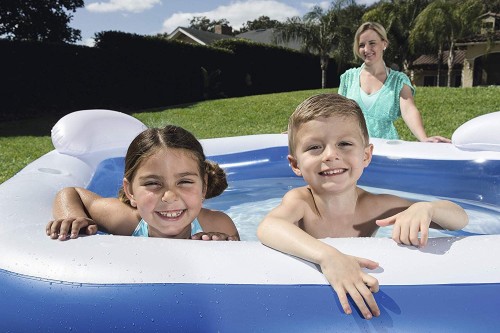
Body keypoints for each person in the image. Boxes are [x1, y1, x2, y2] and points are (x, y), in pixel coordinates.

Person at [257, 93, 468, 319]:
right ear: (295, 164)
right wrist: (328, 257)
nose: (330, 155)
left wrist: (427, 208)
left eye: (344, 144)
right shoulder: (301, 202)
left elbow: (459, 220)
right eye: (315, 147)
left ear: (366, 155)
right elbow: (269, 226)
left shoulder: (376, 205)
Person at [46, 125, 240, 241]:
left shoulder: (217, 225)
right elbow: (72, 193)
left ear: (204, 186)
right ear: (130, 191)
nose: (170, 196)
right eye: (153, 183)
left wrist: (224, 250)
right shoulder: (125, 220)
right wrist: (72, 216)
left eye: (184, 181)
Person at [338, 22, 450, 143]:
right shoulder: (348, 78)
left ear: (384, 44)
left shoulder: (399, 81)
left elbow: (408, 110)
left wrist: (423, 138)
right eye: (361, 45)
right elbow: (337, 114)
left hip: (386, 152)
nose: (366, 49)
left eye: (372, 43)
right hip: (353, 151)